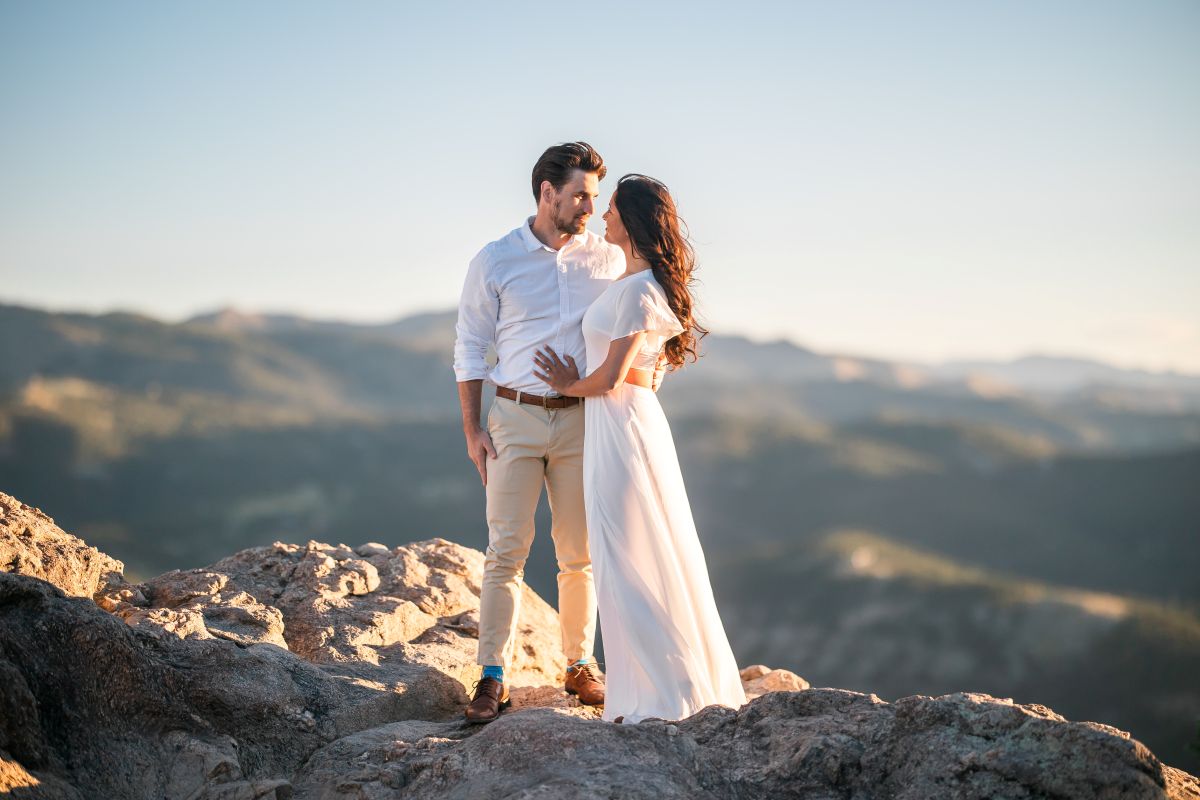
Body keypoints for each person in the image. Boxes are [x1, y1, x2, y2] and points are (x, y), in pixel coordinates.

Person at [533, 173, 747, 723]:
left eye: (611, 211)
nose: (601, 216)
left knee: (628, 555)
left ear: (630, 220)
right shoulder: (636, 283)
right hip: (622, 423)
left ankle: (660, 695)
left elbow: (609, 378)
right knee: (629, 551)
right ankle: (647, 690)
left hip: (621, 427)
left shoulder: (638, 290)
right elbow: (644, 375)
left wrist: (564, 383)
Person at [454, 142, 628, 723]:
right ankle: (491, 676)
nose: (588, 206)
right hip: (513, 418)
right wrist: (472, 427)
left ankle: (579, 666)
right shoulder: (496, 259)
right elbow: (472, 347)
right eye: (580, 194)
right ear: (546, 192)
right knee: (506, 552)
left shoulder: (606, 259)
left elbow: (645, 309)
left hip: (582, 422)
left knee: (579, 555)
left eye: (594, 197)